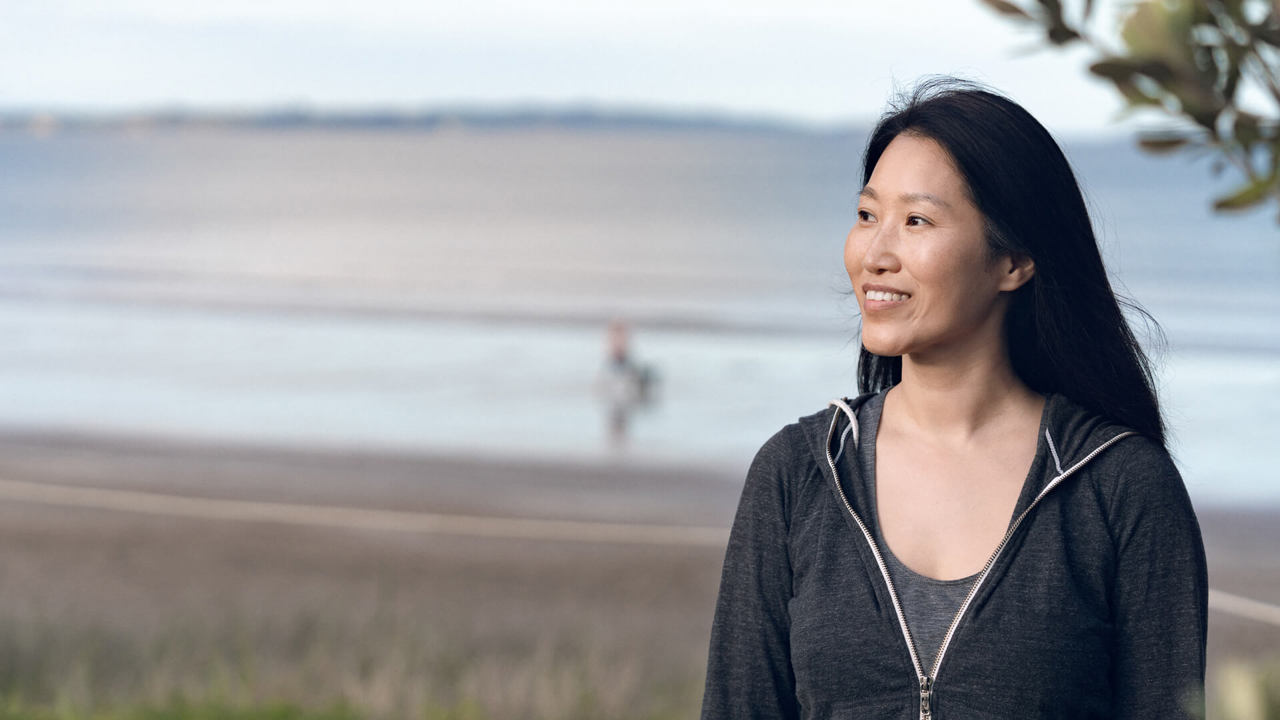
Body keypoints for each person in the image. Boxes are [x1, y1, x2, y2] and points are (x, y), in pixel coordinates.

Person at [700, 79, 1207, 720]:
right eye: (866, 215)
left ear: (1014, 260)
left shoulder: (1119, 486)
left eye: (916, 221)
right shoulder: (800, 472)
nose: (875, 254)